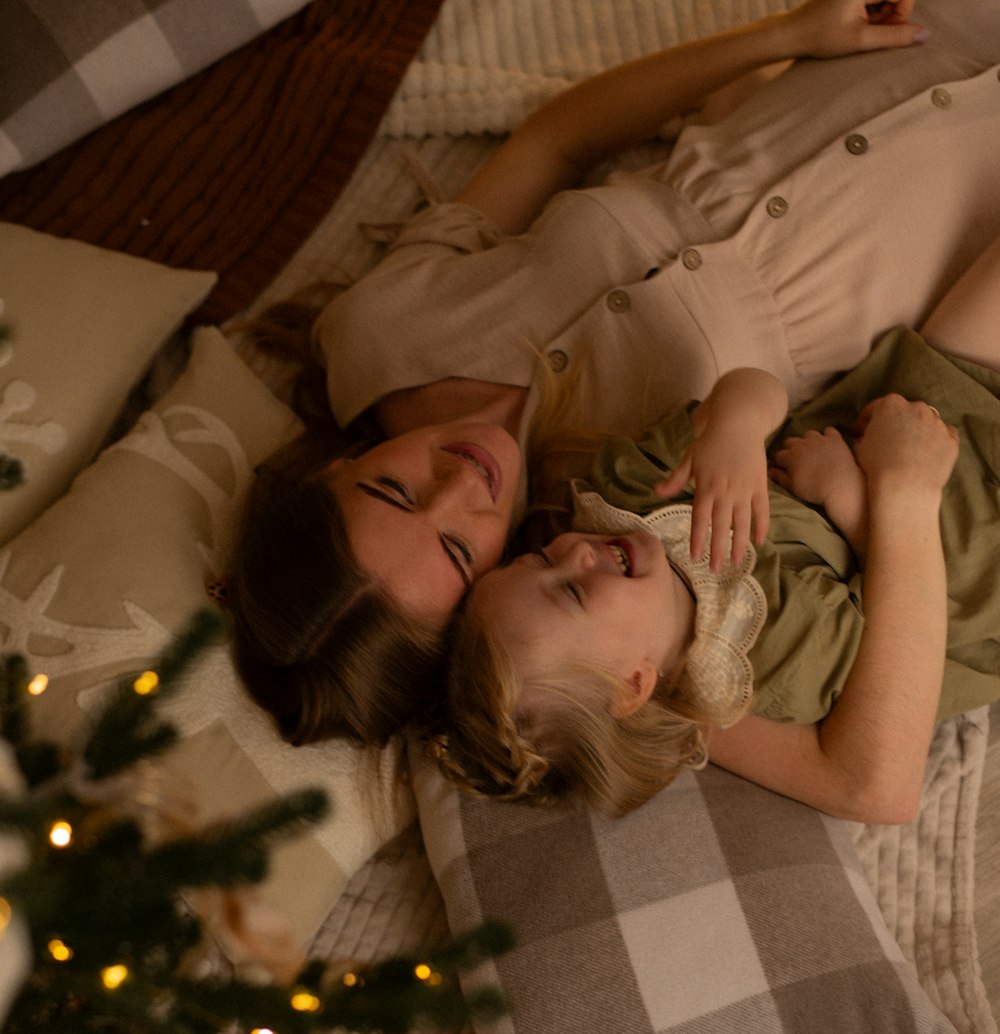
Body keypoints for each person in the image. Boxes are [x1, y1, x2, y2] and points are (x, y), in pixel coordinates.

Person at [227, 0, 1000, 746]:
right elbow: (865, 763)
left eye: (393, 489)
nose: (463, 486)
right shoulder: (627, 526)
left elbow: (552, 144)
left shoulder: (379, 336)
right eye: (461, 552)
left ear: (335, 470)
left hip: (876, 68)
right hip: (971, 219)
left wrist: (783, 34)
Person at [429, 234, 1000, 824]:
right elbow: (920, 625)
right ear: (633, 686)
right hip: (975, 549)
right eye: (573, 591)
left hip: (931, 398)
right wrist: (855, 503)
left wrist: (738, 424)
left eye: (538, 559)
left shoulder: (634, 492)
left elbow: (753, 388)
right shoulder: (777, 660)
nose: (575, 552)